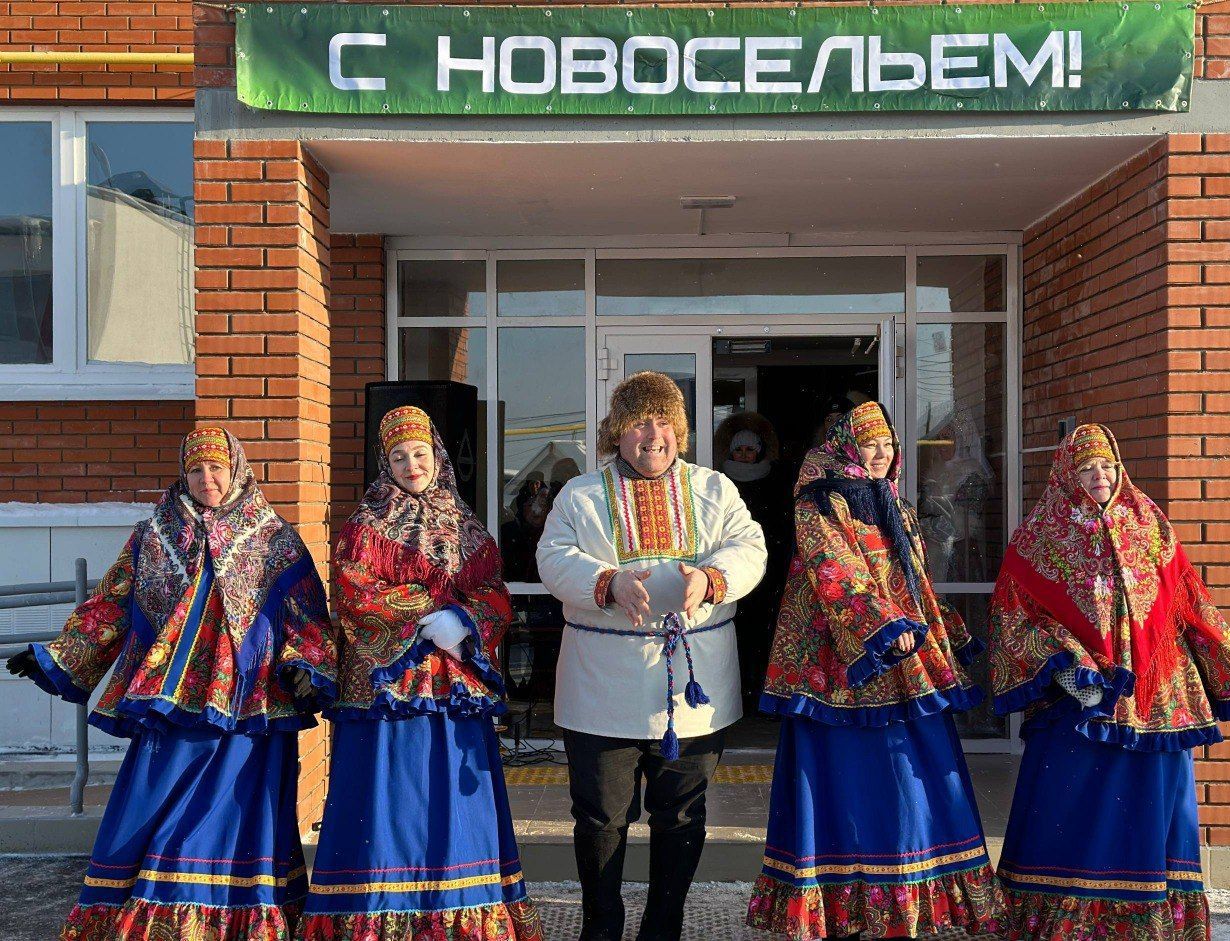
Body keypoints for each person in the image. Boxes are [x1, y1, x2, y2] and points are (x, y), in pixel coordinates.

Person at [6, 426, 338, 940]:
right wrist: (59, 655)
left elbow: (307, 612)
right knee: (156, 803)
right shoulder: (153, 535)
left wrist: (306, 665)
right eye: (196, 470)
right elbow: (112, 603)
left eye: (217, 469)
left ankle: (240, 920)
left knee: (242, 813)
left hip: (251, 706)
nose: (207, 480)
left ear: (236, 470)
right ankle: (162, 916)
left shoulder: (276, 539)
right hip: (172, 700)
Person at [989, 423, 1230, 940]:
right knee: (1073, 809)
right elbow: (1014, 615)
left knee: (1151, 812)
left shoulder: (1152, 525)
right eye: (1086, 468)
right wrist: (1066, 663)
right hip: (1083, 705)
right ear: (1066, 474)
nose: (1099, 476)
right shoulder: (1039, 536)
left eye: (1107, 466)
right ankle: (1067, 923)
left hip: (1160, 701)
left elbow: (1194, 607)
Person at [747, 401, 1004, 941]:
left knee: (908, 784)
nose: (882, 452)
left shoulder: (895, 504)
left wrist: (944, 630)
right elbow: (833, 568)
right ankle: (841, 910)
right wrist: (881, 624)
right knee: (846, 784)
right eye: (870, 444)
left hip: (902, 660)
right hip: (836, 669)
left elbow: (914, 581)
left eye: (888, 443)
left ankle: (906, 907)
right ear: (848, 447)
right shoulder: (820, 500)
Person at [537, 371, 767, 941]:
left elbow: (750, 548)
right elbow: (552, 556)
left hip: (692, 689)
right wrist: (607, 582)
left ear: (680, 431)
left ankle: (663, 928)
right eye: (639, 421)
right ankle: (602, 929)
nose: (653, 435)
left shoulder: (715, 489)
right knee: (600, 816)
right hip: (601, 688)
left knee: (682, 814)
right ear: (617, 431)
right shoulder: (580, 494)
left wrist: (713, 578)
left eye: (664, 421)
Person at [298, 405, 542, 940]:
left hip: (455, 690)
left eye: (420, 453)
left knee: (453, 803)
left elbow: (493, 593)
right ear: (384, 463)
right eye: (399, 457)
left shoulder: (467, 526)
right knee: (389, 801)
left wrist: (463, 621)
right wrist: (424, 613)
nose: (412, 466)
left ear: (438, 456)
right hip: (385, 694)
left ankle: (461, 918)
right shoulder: (364, 526)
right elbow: (355, 593)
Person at [715, 413, 792, 711]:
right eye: (739, 450)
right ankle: (739, 695)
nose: (745, 455)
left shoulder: (776, 481)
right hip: (731, 568)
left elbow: (783, 523)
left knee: (767, 633)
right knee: (737, 633)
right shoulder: (720, 483)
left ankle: (762, 694)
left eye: (750, 449)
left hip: (771, 567)